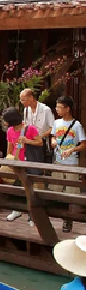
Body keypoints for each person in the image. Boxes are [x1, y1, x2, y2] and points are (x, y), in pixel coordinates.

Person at [7, 89, 56, 222]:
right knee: (22, 179)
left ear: (31, 98)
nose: (22, 102)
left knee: (36, 178)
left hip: (40, 144)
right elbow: (25, 126)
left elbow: (53, 127)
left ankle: (35, 214)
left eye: (23, 99)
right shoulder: (26, 110)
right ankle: (19, 209)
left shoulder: (45, 110)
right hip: (27, 145)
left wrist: (40, 136)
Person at [52, 96, 86, 232]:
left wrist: (72, 149)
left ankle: (68, 220)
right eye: (57, 107)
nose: (57, 109)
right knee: (56, 190)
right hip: (58, 161)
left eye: (60, 107)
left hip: (71, 162)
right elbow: (53, 136)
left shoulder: (76, 125)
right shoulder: (56, 122)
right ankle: (58, 217)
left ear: (67, 109)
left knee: (71, 193)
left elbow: (83, 144)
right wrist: (53, 141)